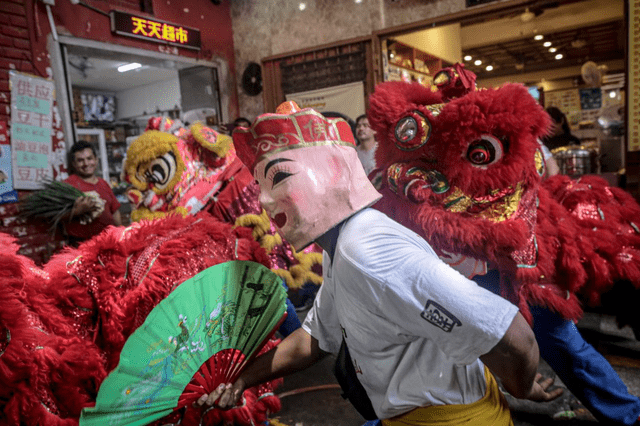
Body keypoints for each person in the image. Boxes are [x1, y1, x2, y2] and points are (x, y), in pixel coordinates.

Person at [197, 102, 561, 425]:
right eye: (259, 185)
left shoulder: (369, 255)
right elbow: (313, 339)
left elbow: (514, 336)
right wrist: (242, 378)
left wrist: (521, 385)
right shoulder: (339, 245)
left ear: (334, 175)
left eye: (277, 178)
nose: (262, 199)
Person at [64, 141, 122, 245]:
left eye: (89, 158)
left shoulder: (103, 183)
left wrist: (121, 233)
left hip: (109, 241)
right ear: (73, 164)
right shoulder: (68, 185)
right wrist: (77, 211)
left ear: (96, 160)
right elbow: (57, 216)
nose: (86, 164)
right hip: (82, 244)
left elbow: (115, 211)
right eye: (80, 160)